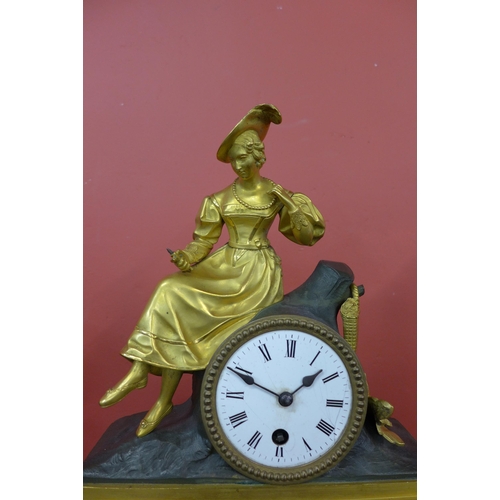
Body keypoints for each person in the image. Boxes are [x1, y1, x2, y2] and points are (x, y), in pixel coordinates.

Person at [99, 104, 325, 437]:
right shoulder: (218, 199)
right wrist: (186, 259)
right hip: (224, 265)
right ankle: (142, 370)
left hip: (257, 273)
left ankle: (159, 397)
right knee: (169, 289)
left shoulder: (276, 194)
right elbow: (202, 242)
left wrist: (291, 205)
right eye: (233, 160)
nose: (238, 165)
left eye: (243, 158)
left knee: (180, 307)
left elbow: (308, 237)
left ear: (258, 157)